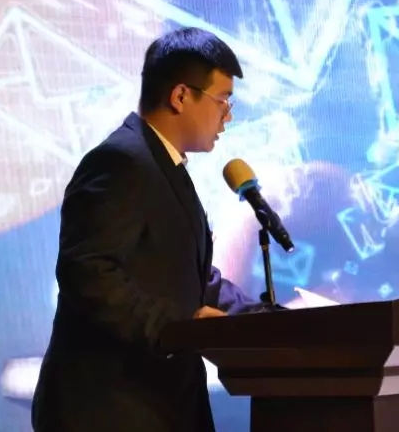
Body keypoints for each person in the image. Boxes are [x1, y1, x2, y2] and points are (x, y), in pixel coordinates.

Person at [31, 27, 265, 432]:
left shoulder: (162, 164)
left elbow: (190, 278)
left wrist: (265, 319)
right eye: (223, 100)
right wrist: (179, 329)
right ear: (181, 96)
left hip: (160, 405)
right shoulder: (120, 162)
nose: (227, 115)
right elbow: (88, 272)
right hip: (113, 409)